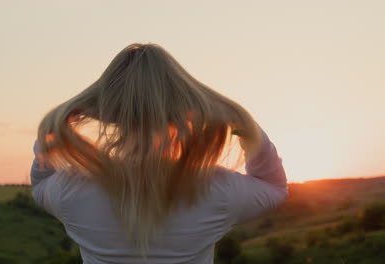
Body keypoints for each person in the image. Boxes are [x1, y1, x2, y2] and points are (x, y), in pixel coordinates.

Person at [30, 43, 288, 264]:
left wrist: (64, 118)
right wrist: (242, 124)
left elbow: (41, 182)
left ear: (109, 112)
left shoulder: (69, 191)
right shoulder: (217, 189)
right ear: (184, 110)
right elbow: (274, 187)